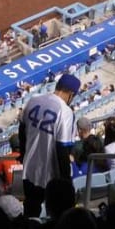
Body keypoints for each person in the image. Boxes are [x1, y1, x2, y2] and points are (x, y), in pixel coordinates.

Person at [19, 73, 80, 218]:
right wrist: (66, 182)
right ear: (71, 94)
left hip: (29, 170)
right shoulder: (65, 112)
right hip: (50, 176)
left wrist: (23, 155)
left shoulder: (33, 100)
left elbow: (21, 131)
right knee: (57, 214)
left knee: (30, 210)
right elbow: (62, 149)